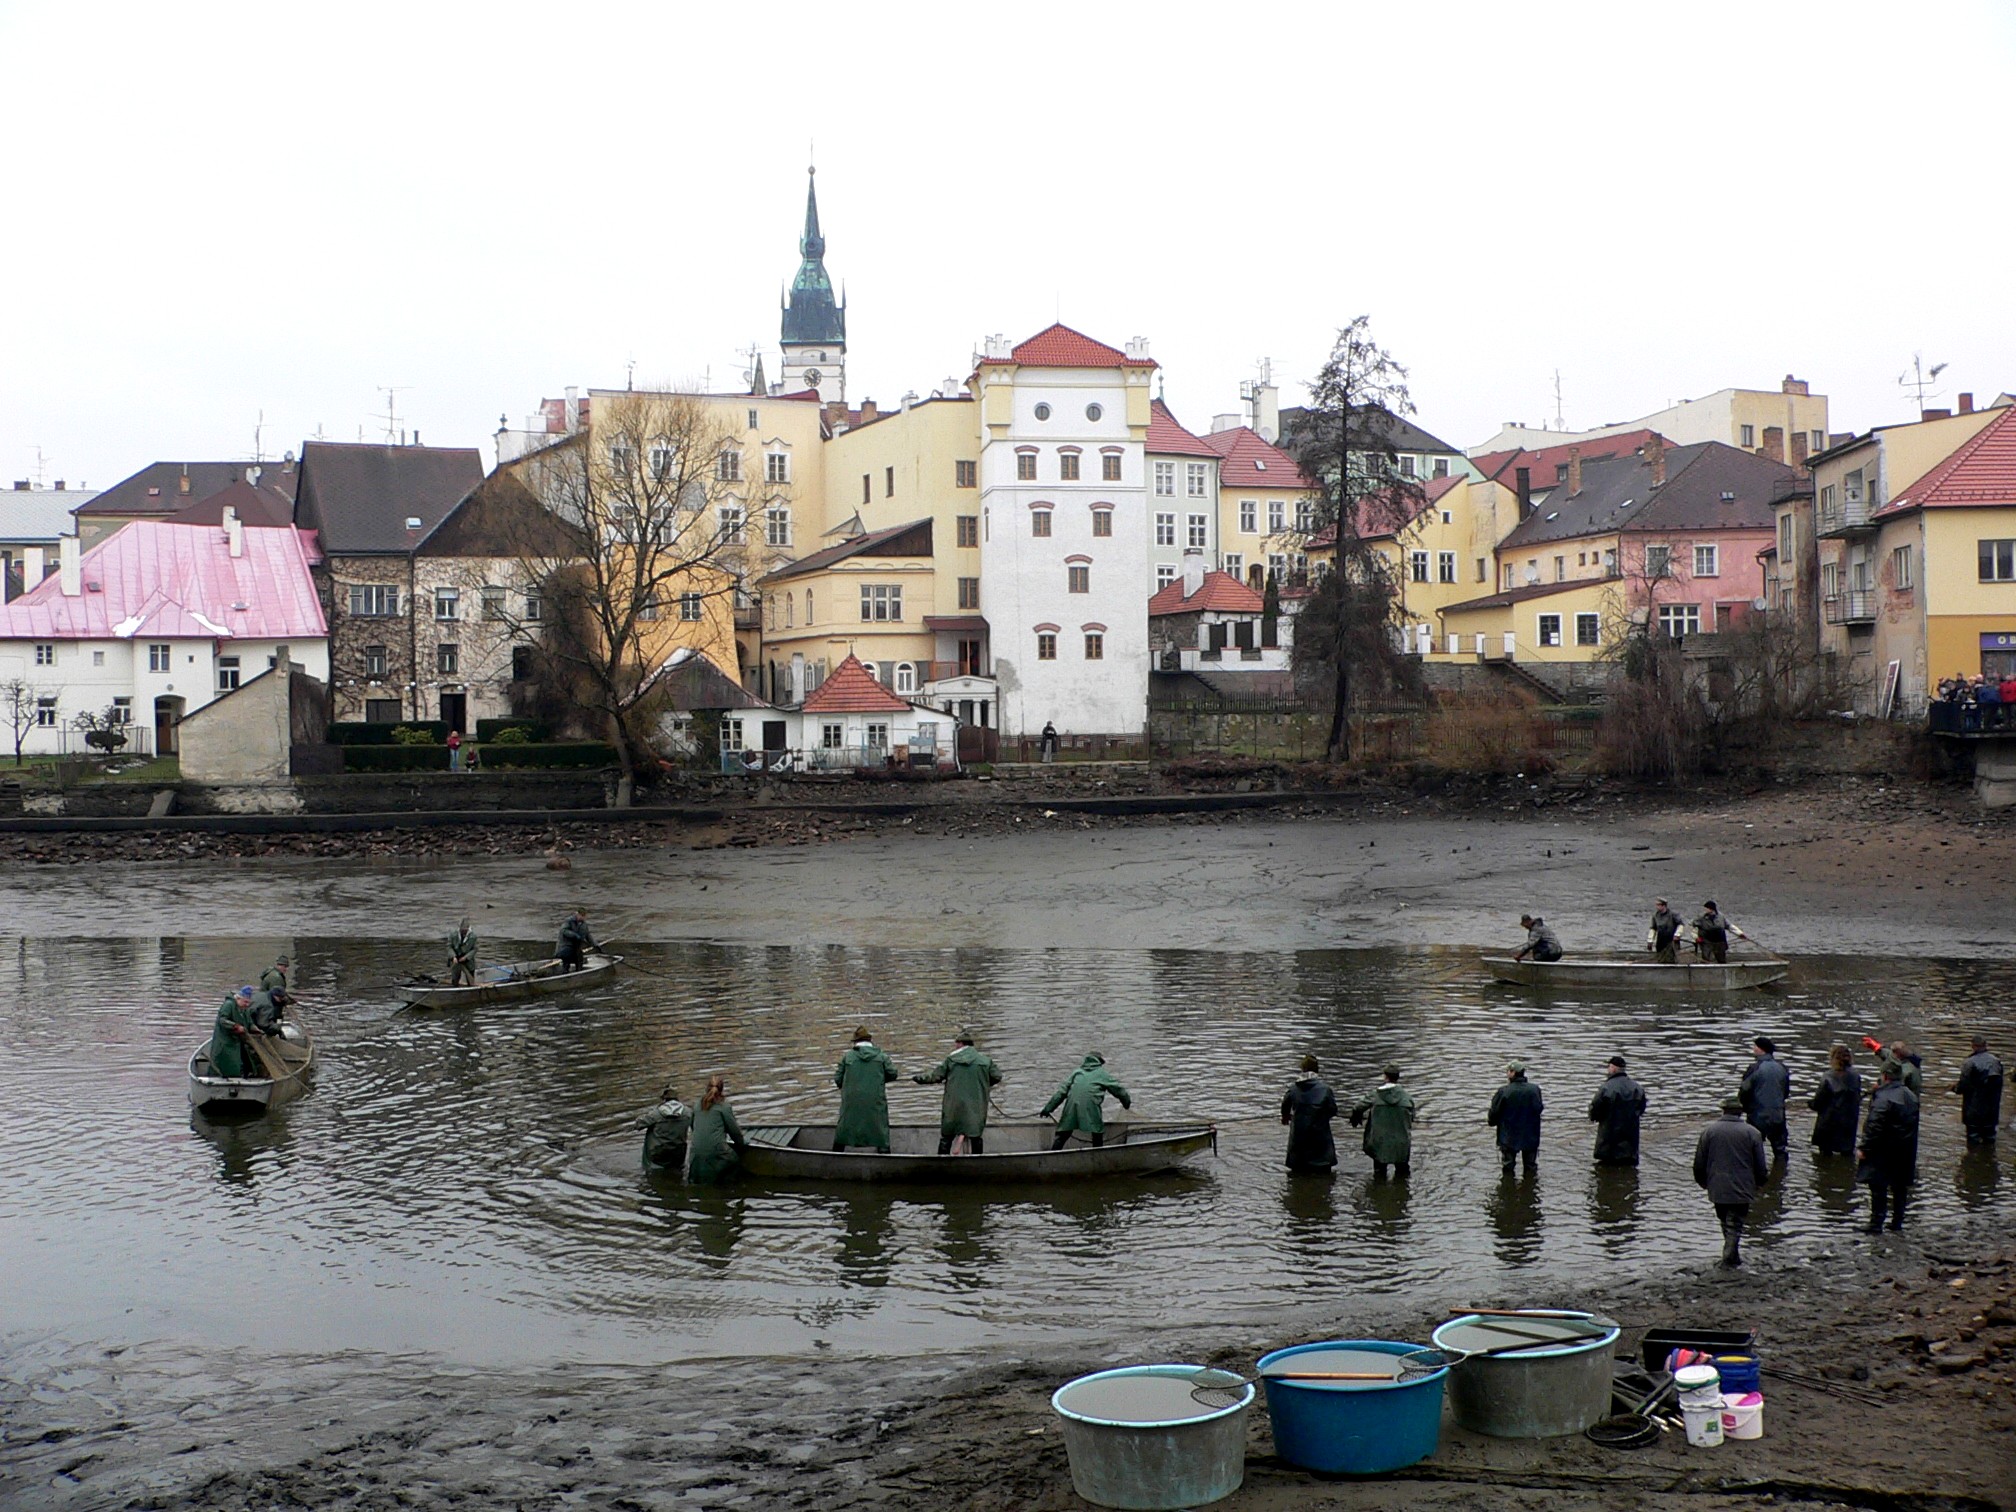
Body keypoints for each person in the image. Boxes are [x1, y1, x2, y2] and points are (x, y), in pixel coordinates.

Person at [1694, 1095, 1770, 1267]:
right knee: (1735, 1224)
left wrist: (1703, 1182)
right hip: (1743, 1186)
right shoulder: (1752, 1133)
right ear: (1740, 1112)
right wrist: (1760, 1183)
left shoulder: (1709, 1132)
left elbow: (1699, 1162)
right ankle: (1730, 1256)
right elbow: (1760, 1165)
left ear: (1723, 1110)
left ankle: (1731, 1257)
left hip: (1717, 1186)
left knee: (1725, 1222)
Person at [913, 1028, 1002, 1155]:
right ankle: (978, 1161)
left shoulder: (951, 1060)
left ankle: (941, 1161)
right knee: (975, 1135)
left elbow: (935, 1076)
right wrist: (983, 1084)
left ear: (960, 1044)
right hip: (975, 1105)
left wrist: (918, 1078)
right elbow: (997, 1076)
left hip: (953, 1105)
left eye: (956, 1043)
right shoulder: (985, 1061)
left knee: (947, 1135)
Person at [1858, 1059, 1920, 1233]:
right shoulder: (1911, 1096)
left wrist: (1864, 1148)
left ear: (1885, 1076)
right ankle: (1897, 1222)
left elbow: (1874, 1125)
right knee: (1900, 1187)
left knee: (1878, 1186)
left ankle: (1876, 1223)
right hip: (1905, 1149)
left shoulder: (1883, 1097)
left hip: (1883, 1150)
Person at [1042, 1053, 1131, 1150]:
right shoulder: (1102, 1074)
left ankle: (1053, 1154)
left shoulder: (1076, 1072)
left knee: (1063, 1133)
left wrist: (1048, 1109)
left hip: (1071, 1107)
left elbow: (1061, 1093)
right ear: (1100, 1062)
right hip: (1091, 1107)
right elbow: (1119, 1091)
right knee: (1097, 1132)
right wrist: (1126, 1103)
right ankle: (1098, 1154)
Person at [834, 1027, 898, 1152]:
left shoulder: (847, 1057)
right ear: (870, 1041)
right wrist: (878, 1080)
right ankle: (884, 1154)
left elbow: (838, 1079)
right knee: (879, 1126)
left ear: (855, 1042)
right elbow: (893, 1074)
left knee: (845, 1125)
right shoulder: (882, 1056)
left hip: (851, 1101)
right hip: (875, 1100)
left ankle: (836, 1153)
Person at [1349, 1063, 1415, 1180]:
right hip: (1401, 1143)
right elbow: (1412, 1117)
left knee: (1379, 1175)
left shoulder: (1375, 1095)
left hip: (1380, 1142)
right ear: (1397, 1077)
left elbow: (1357, 1107)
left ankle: (1379, 1190)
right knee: (1402, 1175)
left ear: (1385, 1077)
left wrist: (1356, 1118)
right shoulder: (1407, 1097)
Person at [1279, 1054, 1339, 1175]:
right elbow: (1333, 1110)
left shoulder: (1293, 1089)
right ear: (1317, 1070)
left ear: (1302, 1069)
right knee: (1323, 1173)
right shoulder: (1325, 1089)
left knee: (1298, 1173)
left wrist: (1286, 1117)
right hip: (1320, 1138)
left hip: (1299, 1138)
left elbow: (1285, 1107)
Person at [1588, 1054, 1648, 1167]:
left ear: (1613, 1068)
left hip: (1609, 1141)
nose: (1608, 1069)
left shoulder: (1606, 1088)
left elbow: (1595, 1109)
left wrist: (1594, 1117)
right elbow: (1641, 1108)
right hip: (1630, 1142)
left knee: (1605, 1169)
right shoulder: (1637, 1088)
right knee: (1628, 1167)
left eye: (1609, 1067)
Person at [687, 1075, 749, 1184]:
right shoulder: (723, 1106)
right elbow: (734, 1132)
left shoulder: (697, 1105)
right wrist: (741, 1146)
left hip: (695, 1153)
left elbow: (693, 1126)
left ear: (707, 1088)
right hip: (716, 1150)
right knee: (735, 1161)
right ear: (721, 1090)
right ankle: (729, 1189)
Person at [1740, 1035, 1791, 1161]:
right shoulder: (1782, 1068)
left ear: (1760, 1049)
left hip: (1757, 1115)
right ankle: (1781, 1170)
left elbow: (1744, 1091)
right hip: (1778, 1114)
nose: (1753, 1049)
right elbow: (1785, 1092)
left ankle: (1758, 1172)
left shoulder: (1754, 1068)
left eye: (1755, 1046)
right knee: (1780, 1149)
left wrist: (1744, 1108)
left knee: (1753, 1150)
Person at [1488, 1061, 1543, 1175]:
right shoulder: (1535, 1089)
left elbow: (1494, 1112)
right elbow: (1539, 1108)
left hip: (1508, 1135)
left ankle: (1507, 1184)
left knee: (1508, 1167)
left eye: (1508, 1071)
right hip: (1530, 1134)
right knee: (1530, 1166)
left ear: (1513, 1073)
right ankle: (1530, 1184)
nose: (1507, 1073)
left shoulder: (1504, 1091)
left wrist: (1492, 1122)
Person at [1808, 1043, 1863, 1157]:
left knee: (1825, 1154)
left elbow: (1819, 1100)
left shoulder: (1828, 1076)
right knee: (1847, 1152)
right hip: (1849, 1122)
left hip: (1829, 1121)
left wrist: (1811, 1104)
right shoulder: (1855, 1075)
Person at [1953, 1036, 2004, 1147]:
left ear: (1973, 1046)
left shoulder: (1969, 1063)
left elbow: (1962, 1086)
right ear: (1986, 1045)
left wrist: (1954, 1088)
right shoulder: (1996, 1061)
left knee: (1973, 1140)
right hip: (1992, 1111)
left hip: (1973, 1111)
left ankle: (1973, 1157)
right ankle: (1989, 1156)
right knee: (1990, 1139)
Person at [207, 986, 262, 1079]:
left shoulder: (244, 1009)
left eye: (248, 1002)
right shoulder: (228, 1005)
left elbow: (249, 1022)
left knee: (244, 1059)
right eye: (245, 1002)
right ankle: (221, 1076)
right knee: (226, 1061)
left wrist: (255, 1028)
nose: (247, 1004)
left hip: (238, 1040)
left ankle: (242, 1075)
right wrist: (235, 1026)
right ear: (238, 998)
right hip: (225, 1040)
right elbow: (222, 1020)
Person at [639, 1082, 694, 1171]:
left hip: (658, 1154)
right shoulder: (688, 1112)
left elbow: (638, 1124)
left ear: (664, 1099)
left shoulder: (656, 1114)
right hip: (679, 1153)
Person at [556, 908, 598, 972]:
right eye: (582, 916)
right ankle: (565, 971)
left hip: (576, 947)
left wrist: (595, 945)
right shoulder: (569, 921)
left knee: (579, 958)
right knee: (567, 957)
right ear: (578, 914)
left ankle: (579, 972)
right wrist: (574, 935)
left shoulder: (584, 925)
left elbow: (588, 935)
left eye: (584, 916)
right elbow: (564, 931)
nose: (583, 918)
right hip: (565, 946)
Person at [1648, 899, 1682, 964]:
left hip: (1671, 939)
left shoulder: (1673, 914)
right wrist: (1650, 941)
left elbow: (1680, 925)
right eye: (1656, 905)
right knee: (1660, 957)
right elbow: (1653, 928)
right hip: (1660, 940)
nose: (1656, 907)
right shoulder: (1655, 916)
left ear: (1664, 906)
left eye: (1658, 905)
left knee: (1671, 957)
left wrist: (1677, 935)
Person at [447, 917, 478, 986]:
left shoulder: (473, 936)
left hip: (468, 960)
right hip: (456, 960)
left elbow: (475, 949)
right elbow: (449, 947)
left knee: (470, 978)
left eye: (465, 930)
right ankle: (455, 987)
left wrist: (466, 957)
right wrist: (453, 957)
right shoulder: (453, 935)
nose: (464, 931)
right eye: (462, 930)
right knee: (455, 977)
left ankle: (471, 988)